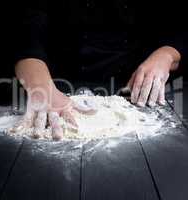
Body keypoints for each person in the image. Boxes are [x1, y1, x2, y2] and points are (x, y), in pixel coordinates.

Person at [12, 0, 186, 140]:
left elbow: (178, 26)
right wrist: (39, 84)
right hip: (58, 85)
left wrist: (167, 54)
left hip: (132, 91)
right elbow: (27, 30)